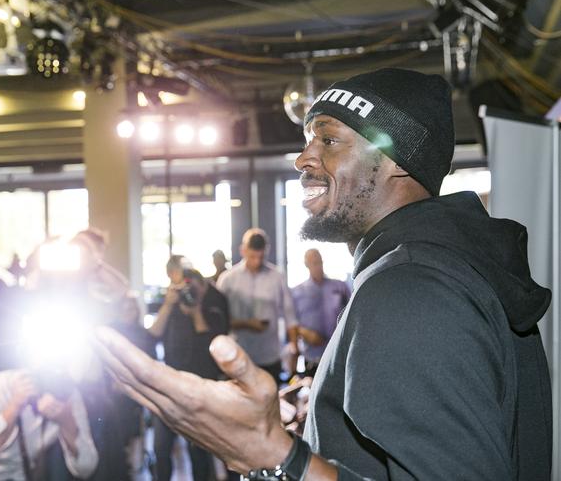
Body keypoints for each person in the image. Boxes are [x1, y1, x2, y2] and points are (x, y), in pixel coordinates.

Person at [93, 68, 552, 480]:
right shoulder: (431, 270)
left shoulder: (412, 291)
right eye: (308, 140)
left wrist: (273, 455)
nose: (303, 159)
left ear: (397, 160)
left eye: (328, 141)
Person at [149, 262, 230, 481]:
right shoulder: (173, 305)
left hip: (199, 388)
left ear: (204, 286)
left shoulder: (215, 304)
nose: (191, 291)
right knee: (161, 447)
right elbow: (153, 335)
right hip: (170, 384)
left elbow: (213, 345)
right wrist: (168, 304)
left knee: (199, 450)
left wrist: (196, 310)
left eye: (195, 287)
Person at [0, 369, 98, 480]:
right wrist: (14, 406)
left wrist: (67, 421)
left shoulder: (69, 397)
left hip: (16, 474)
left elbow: (86, 468)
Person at [216, 229, 298, 383]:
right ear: (243, 251)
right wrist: (247, 324)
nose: (257, 262)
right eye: (252, 256)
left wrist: (294, 348)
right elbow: (219, 320)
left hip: (269, 355)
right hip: (237, 354)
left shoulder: (277, 277)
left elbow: (289, 315)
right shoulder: (227, 279)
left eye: (261, 257)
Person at [291, 249, 350, 376]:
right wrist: (304, 332)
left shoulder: (340, 287)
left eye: (319, 262)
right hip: (312, 358)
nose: (317, 266)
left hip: (339, 356)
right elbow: (292, 323)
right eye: (313, 263)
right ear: (306, 265)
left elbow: (352, 316)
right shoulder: (297, 292)